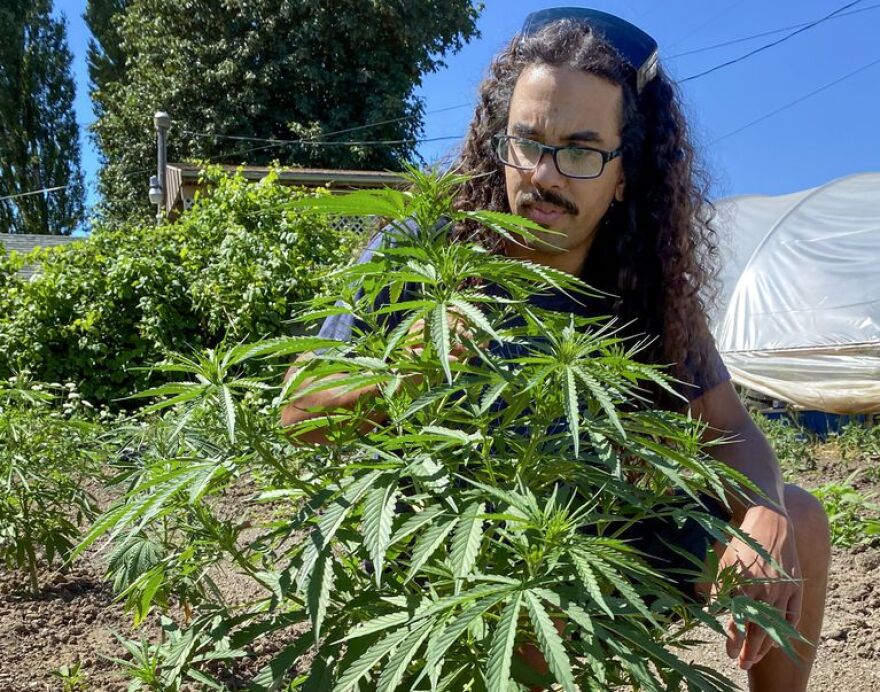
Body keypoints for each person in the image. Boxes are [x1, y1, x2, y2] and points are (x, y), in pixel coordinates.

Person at [281, 8, 830, 691]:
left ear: (626, 172)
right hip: (453, 548)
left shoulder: (642, 284)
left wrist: (766, 513)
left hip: (601, 539)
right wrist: (409, 367)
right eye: (527, 142)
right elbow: (297, 412)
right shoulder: (428, 252)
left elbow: (729, 427)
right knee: (542, 590)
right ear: (496, 142)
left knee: (799, 519)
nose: (543, 175)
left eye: (579, 150)